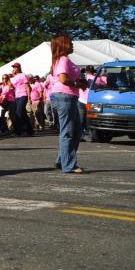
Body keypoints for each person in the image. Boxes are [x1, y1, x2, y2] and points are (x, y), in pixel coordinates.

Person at [50, 35, 86, 173]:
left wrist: (79, 83)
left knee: (76, 131)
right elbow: (63, 79)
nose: (72, 45)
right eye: (70, 43)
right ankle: (68, 165)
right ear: (63, 45)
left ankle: (62, 160)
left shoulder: (63, 60)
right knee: (68, 132)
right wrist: (77, 84)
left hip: (68, 96)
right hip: (64, 96)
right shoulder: (63, 60)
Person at [10, 62, 34, 136]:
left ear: (19, 68)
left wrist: (29, 97)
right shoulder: (14, 77)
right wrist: (13, 75)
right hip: (17, 96)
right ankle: (29, 131)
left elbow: (27, 87)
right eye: (13, 67)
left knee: (19, 112)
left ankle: (18, 131)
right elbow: (12, 86)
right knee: (23, 114)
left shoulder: (23, 75)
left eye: (15, 67)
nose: (14, 68)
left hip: (23, 95)